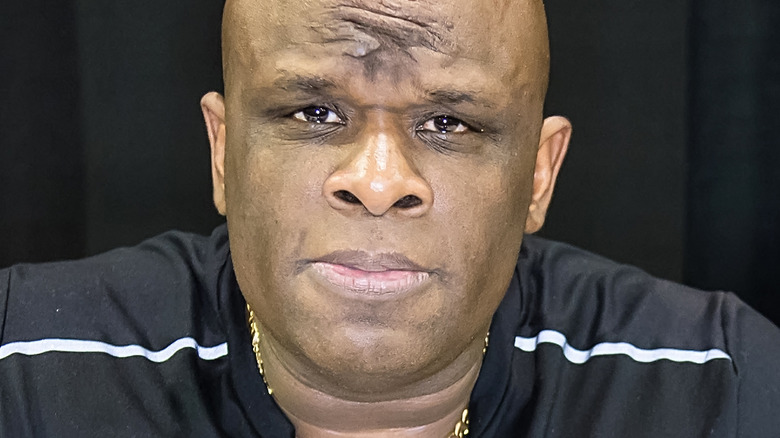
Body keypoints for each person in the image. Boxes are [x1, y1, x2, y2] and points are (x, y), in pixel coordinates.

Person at [1, 0, 778, 436]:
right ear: (223, 151)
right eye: (314, 111)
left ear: (539, 174)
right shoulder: (27, 366)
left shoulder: (719, 387)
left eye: (449, 124)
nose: (378, 184)